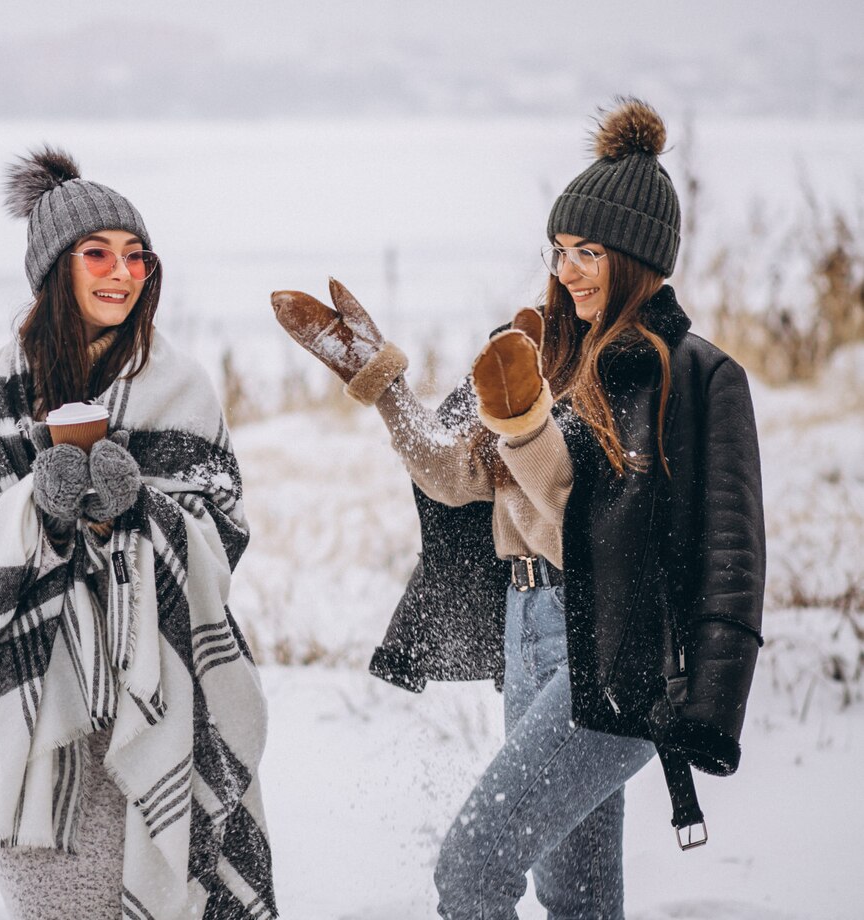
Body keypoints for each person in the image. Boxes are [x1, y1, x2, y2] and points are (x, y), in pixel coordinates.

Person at [272, 98, 764, 919]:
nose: (566, 269)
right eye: (561, 250)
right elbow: (451, 476)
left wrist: (710, 707)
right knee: (574, 896)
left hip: (619, 653)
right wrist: (383, 384)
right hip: (527, 629)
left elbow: (728, 552)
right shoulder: (530, 350)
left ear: (639, 258)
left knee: (472, 867)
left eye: (589, 253)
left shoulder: (686, 375)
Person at [0, 148, 276, 920]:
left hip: (159, 701)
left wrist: (138, 512)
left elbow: (226, 534)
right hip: (26, 717)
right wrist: (34, 514)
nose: (122, 272)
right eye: (97, 254)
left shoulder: (180, 387)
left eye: (137, 257)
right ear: (54, 270)